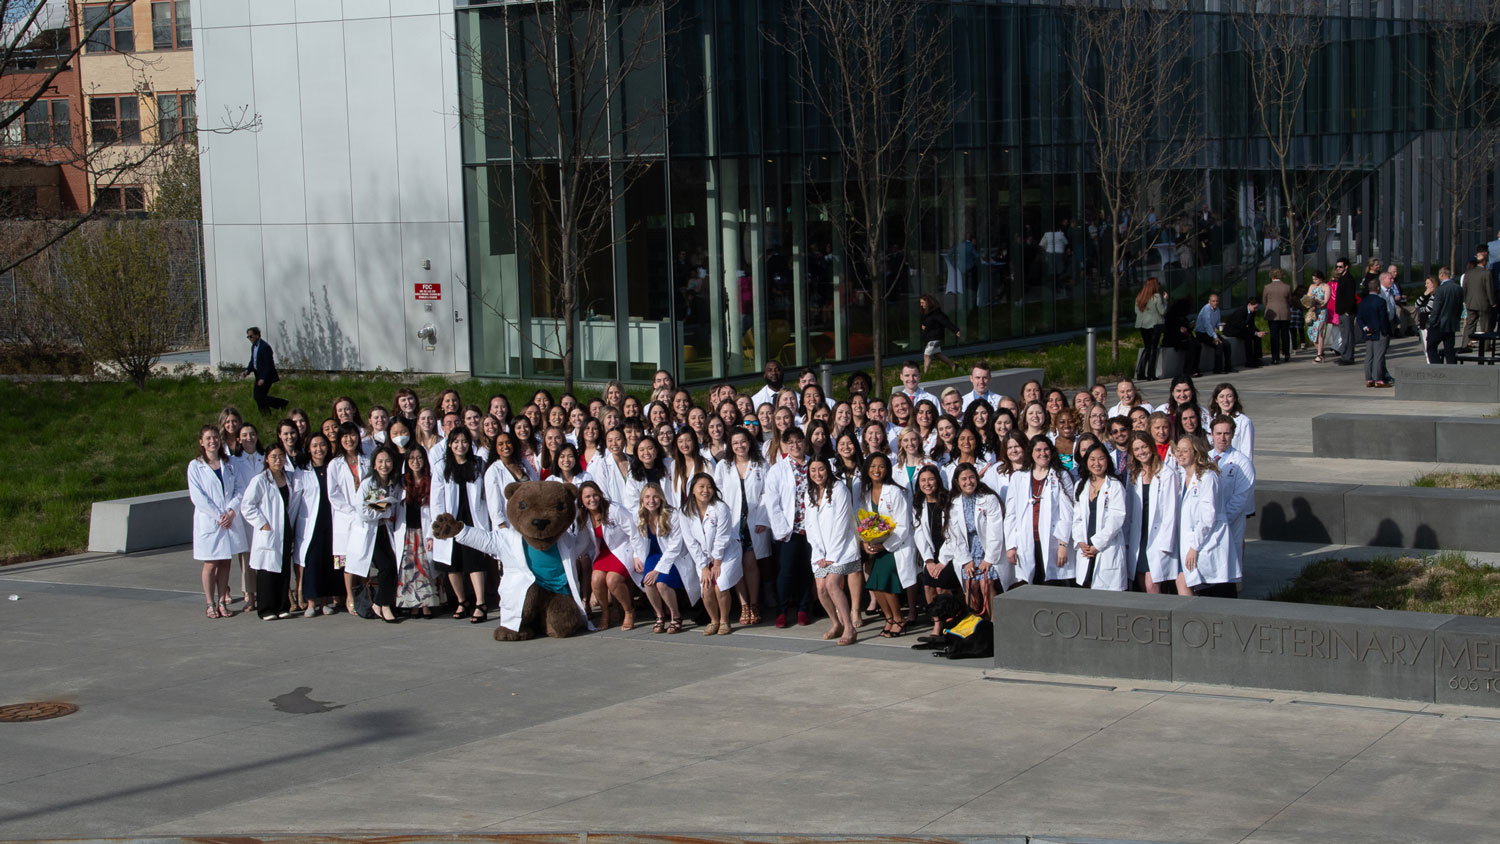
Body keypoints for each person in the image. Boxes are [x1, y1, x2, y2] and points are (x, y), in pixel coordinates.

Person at [431, 428, 491, 623]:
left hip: (473, 519)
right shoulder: (442, 467)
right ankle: (462, 601)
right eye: (456, 442)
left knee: (474, 561)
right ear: (449, 444)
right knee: (453, 564)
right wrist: (441, 524)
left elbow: (485, 494)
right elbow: (436, 498)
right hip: (451, 521)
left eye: (464, 441)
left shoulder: (478, 464)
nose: (460, 445)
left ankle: (481, 603)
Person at [188, 426, 247, 619]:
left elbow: (239, 489)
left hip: (228, 520)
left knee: (225, 562)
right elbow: (198, 497)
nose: (212, 441)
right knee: (211, 563)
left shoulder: (229, 463)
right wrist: (219, 515)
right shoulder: (195, 466)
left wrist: (231, 511)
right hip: (211, 521)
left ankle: (222, 601)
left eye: (215, 438)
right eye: (208, 438)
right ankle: (210, 603)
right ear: (201, 442)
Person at [856, 452, 917, 638]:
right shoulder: (866, 493)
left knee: (882, 580)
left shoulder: (895, 492)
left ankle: (899, 619)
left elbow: (903, 525)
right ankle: (890, 619)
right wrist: (867, 541)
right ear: (867, 469)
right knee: (874, 584)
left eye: (881, 466)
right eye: (873, 466)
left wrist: (885, 546)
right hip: (878, 545)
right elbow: (866, 522)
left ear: (887, 469)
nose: (877, 470)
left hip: (897, 545)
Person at [803, 457, 862, 646]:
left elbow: (842, 524)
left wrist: (831, 556)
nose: (817, 474)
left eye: (821, 469)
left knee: (832, 584)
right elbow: (810, 525)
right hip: (821, 552)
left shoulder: (839, 489)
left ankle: (849, 628)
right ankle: (836, 624)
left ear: (828, 469)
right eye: (813, 470)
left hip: (842, 549)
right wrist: (820, 553)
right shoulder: (809, 492)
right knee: (820, 588)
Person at [715, 427, 771, 625]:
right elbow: (718, 495)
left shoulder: (760, 464)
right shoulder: (723, 465)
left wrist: (763, 518)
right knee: (735, 565)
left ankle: (754, 604)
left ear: (750, 442)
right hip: (732, 523)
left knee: (750, 564)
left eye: (743, 441)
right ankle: (744, 605)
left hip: (753, 522)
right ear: (730, 446)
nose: (740, 446)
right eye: (735, 443)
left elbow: (767, 493)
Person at [240, 443, 300, 620]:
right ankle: (266, 609)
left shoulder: (288, 478)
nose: (278, 460)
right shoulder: (260, 480)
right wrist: (262, 524)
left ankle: (283, 607)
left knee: (283, 569)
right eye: (274, 456)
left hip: (285, 529)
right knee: (267, 572)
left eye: (281, 456)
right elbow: (247, 505)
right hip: (269, 530)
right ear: (267, 459)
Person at [1003, 437, 1075, 586]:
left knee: (1052, 585)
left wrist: (1063, 545)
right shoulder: (1018, 477)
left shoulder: (1061, 476)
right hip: (1026, 540)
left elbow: (1068, 513)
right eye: (1038, 450)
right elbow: (1011, 514)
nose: (1043, 453)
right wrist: (1011, 546)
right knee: (1031, 585)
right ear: (1031, 453)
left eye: (1046, 449)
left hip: (1053, 542)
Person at [632, 482, 700, 634]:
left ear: (661, 498)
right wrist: (636, 556)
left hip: (672, 557)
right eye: (647, 497)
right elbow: (634, 538)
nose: (651, 501)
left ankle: (676, 616)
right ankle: (659, 615)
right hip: (653, 554)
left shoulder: (672, 515)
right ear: (642, 499)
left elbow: (675, 546)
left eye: (656, 497)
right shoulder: (639, 515)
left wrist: (658, 570)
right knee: (648, 583)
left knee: (661, 584)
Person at [942, 462, 1009, 613]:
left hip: (988, 549)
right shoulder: (953, 503)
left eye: (972, 477)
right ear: (957, 482)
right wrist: (966, 560)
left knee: (987, 584)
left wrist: (989, 559)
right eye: (964, 479)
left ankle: (993, 623)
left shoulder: (989, 499)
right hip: (966, 550)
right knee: (970, 585)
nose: (968, 482)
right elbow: (953, 535)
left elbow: (995, 531)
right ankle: (973, 622)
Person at [348, 447, 404, 623]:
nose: (384, 465)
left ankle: (382, 603)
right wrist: (386, 510)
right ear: (374, 464)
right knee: (385, 567)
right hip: (370, 532)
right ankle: (382, 604)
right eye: (380, 461)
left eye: (387, 461)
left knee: (393, 566)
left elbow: (381, 507)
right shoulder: (370, 483)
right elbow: (365, 511)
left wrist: (385, 509)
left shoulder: (393, 483)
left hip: (385, 531)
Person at [763, 428, 813, 628]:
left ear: (804, 442)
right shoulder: (778, 469)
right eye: (790, 442)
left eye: (799, 441)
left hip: (811, 529)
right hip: (789, 530)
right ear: (785, 445)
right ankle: (782, 611)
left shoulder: (814, 464)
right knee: (786, 572)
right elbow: (772, 502)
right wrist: (781, 529)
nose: (795, 445)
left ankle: (803, 609)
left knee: (807, 571)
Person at [1175, 435, 1233, 598]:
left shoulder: (1207, 477)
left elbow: (1208, 516)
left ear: (1197, 453)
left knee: (1190, 584)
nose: (1180, 453)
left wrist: (1194, 547)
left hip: (1205, 543)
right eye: (1178, 450)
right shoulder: (1182, 476)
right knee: (1183, 581)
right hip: (1190, 543)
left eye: (1185, 450)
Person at [577, 480, 639, 630]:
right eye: (587, 497)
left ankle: (629, 611)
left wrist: (637, 555)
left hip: (623, 548)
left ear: (600, 495)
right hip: (605, 552)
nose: (592, 499)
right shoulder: (585, 515)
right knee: (596, 579)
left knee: (612, 580)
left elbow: (634, 531)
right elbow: (584, 541)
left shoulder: (614, 510)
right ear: (582, 500)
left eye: (594, 495)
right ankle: (606, 613)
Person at [1125, 432, 1180, 594]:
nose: (1141, 452)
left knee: (1152, 583)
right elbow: (1129, 508)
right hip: (1139, 534)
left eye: (1144, 447)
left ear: (1151, 447)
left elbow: (1171, 512)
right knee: (1142, 580)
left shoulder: (1167, 473)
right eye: (1136, 449)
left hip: (1158, 537)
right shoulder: (1134, 473)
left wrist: (1165, 543)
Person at [1071, 444, 1128, 591]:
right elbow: (1077, 518)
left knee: (1108, 594)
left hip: (1105, 546)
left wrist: (1097, 545)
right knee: (1088, 588)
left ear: (1107, 461)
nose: (1097, 463)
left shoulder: (1114, 486)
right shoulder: (1081, 485)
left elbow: (1116, 519)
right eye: (1092, 459)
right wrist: (1080, 541)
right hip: (1086, 547)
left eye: (1101, 459)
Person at [327, 422, 369, 616]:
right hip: (345, 519)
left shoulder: (367, 460)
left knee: (363, 557)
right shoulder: (334, 464)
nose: (349, 440)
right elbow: (333, 494)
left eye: (352, 435)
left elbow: (375, 487)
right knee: (345, 560)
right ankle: (349, 596)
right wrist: (352, 511)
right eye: (344, 436)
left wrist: (368, 510)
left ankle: (365, 595)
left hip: (365, 517)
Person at [295, 432, 339, 616]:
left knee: (331, 561)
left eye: (322, 445)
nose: (319, 449)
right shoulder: (302, 471)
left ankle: (325, 601)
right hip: (311, 524)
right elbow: (296, 500)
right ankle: (311, 602)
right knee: (312, 562)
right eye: (314, 446)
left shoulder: (333, 467)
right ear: (308, 448)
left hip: (332, 522)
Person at [1209, 416, 1255, 590]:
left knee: (1230, 570)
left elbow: (1241, 498)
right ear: (1211, 434)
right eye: (1218, 433)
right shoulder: (1204, 459)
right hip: (1209, 524)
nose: (1222, 437)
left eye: (1226, 433)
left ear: (1233, 434)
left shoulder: (1243, 463)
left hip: (1231, 523)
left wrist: (1221, 519)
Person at [397, 446, 442, 618]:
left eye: (419, 458)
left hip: (424, 532)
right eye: (412, 459)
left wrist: (431, 534)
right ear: (407, 462)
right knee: (409, 570)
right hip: (407, 532)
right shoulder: (402, 482)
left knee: (424, 568)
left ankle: (426, 605)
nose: (416, 462)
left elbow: (435, 508)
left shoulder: (431, 481)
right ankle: (412, 604)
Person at [1357, 278, 1394, 388]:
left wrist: (1365, 327)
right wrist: (1386, 332)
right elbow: (1383, 319)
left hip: (1368, 332)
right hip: (1379, 332)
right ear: (1378, 288)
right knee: (1378, 356)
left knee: (1369, 355)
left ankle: (1369, 378)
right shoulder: (1380, 302)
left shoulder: (1363, 302)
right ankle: (1378, 379)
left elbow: (1359, 318)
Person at [243, 327, 287, 414]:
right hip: (258, 375)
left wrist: (263, 378)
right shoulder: (254, 347)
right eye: (248, 337)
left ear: (257, 335)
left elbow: (268, 364)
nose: (249, 339)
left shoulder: (265, 347)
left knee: (260, 396)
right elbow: (253, 361)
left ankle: (278, 405)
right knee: (258, 397)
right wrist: (247, 370)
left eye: (251, 336)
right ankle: (279, 405)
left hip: (267, 376)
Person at [1429, 266, 1464, 364]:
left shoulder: (1440, 289)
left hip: (1439, 324)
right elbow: (1460, 307)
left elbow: (1436, 309)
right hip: (1452, 324)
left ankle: (1438, 369)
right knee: (1449, 349)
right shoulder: (1458, 288)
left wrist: (1431, 322)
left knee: (1431, 348)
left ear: (1441, 275)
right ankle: (1451, 370)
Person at [1134, 277, 1167, 380]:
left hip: (1143, 325)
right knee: (1153, 349)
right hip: (1154, 325)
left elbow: (1136, 311)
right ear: (1154, 285)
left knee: (1147, 348)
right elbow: (1162, 311)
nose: (1159, 285)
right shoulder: (1156, 297)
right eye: (1158, 283)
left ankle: (1140, 372)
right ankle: (1151, 374)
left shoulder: (1140, 297)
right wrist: (1165, 300)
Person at [918, 294, 960, 372]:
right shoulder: (926, 313)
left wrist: (956, 330)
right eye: (920, 303)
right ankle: (953, 365)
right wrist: (924, 326)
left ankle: (925, 374)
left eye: (923, 302)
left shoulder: (936, 313)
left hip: (934, 338)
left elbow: (946, 322)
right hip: (930, 337)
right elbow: (927, 323)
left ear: (928, 302)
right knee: (937, 354)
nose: (921, 305)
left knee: (927, 355)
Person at [1463, 248, 1495, 348]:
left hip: (1471, 302)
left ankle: (1465, 344)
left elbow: (1465, 287)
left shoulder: (1469, 273)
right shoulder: (1486, 273)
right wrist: (1492, 301)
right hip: (1483, 303)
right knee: (1485, 325)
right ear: (1485, 261)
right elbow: (1489, 289)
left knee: (1470, 325)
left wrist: (1465, 300)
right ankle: (1485, 346)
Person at [1193, 293, 1231, 375]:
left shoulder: (1217, 309)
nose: (1215, 303)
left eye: (1217, 301)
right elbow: (1207, 325)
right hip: (1202, 333)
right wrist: (1215, 337)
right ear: (1209, 301)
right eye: (1213, 301)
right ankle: (1217, 369)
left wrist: (1220, 325)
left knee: (1227, 344)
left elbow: (1216, 323)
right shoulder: (1206, 310)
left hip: (1210, 332)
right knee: (1218, 345)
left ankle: (1228, 367)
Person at [1221, 297, 1265, 368]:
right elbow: (1242, 326)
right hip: (1232, 330)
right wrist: (1255, 333)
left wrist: (1258, 332)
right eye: (1255, 307)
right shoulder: (1241, 311)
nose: (1256, 309)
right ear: (1250, 305)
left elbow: (1251, 325)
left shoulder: (1252, 312)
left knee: (1257, 337)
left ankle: (1257, 358)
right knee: (1248, 337)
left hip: (1241, 328)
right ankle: (1249, 360)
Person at [1262, 268, 1293, 365]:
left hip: (1272, 315)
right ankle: (1286, 353)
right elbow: (1290, 301)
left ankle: (1275, 358)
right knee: (1285, 334)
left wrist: (1269, 306)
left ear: (1272, 276)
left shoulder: (1267, 287)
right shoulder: (1287, 287)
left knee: (1274, 336)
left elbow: (1264, 300)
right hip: (1284, 313)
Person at [1333, 258, 1359, 366]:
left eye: (1340, 267)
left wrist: (1348, 311)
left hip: (1347, 312)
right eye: (1337, 266)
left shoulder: (1349, 279)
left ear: (1346, 267)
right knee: (1344, 335)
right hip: (1341, 311)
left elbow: (1351, 297)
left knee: (1348, 335)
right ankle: (1344, 355)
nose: (1338, 269)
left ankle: (1348, 357)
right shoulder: (1342, 278)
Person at [1306, 270, 1331, 362]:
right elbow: (1308, 297)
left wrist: (1318, 306)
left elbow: (1326, 302)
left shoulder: (1326, 287)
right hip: (1313, 312)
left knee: (1319, 332)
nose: (1314, 281)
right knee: (1311, 332)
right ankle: (1321, 351)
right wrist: (1309, 304)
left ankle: (1319, 355)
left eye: (1316, 279)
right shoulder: (1312, 286)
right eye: (1313, 279)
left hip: (1321, 312)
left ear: (1321, 278)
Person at [1415, 275, 1437, 363]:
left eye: (1428, 283)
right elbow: (1416, 304)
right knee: (1424, 345)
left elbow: (1428, 309)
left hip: (1429, 323)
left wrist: (1420, 310)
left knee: (1428, 345)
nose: (1426, 285)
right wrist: (1424, 295)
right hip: (1422, 323)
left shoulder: (1434, 296)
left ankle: (1430, 362)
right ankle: (1428, 361)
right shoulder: (1426, 296)